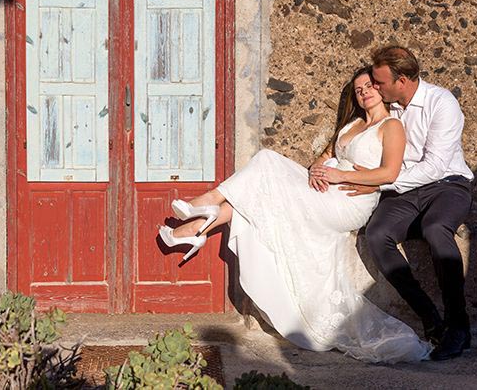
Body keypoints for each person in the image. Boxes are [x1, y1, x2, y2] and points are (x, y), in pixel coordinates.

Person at [158, 66, 432, 363]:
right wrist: (317, 169)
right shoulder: (351, 125)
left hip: (351, 202)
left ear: (381, 88)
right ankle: (198, 225)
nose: (364, 92)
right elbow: (326, 158)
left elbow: (389, 173)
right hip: (326, 191)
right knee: (258, 192)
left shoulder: (391, 127)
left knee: (266, 161)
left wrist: (341, 178)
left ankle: (203, 212)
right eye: (358, 89)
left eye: (369, 86)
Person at [341, 46, 474, 361]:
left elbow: (436, 166)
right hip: (404, 192)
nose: (375, 87)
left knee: (436, 228)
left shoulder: (442, 104)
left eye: (380, 82)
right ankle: (430, 317)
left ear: (401, 80)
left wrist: (383, 182)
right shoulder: (389, 108)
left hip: (448, 185)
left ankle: (458, 325)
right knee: (377, 234)